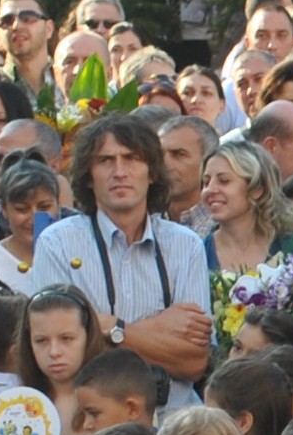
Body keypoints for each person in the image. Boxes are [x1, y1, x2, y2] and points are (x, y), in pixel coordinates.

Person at [25, 114, 214, 408]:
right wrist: (157, 330)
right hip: (88, 422)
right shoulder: (57, 244)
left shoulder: (186, 245)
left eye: (132, 158)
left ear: (152, 172)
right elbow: (60, 355)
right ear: (89, 176)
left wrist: (107, 326)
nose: (120, 172)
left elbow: (193, 362)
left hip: (174, 424)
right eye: (106, 161)